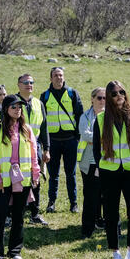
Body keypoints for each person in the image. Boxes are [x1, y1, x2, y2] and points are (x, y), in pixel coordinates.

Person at [93, 81, 130, 259]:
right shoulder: (100, 119)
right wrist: (103, 168)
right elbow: (95, 150)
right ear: (108, 96)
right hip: (110, 172)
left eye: (122, 92)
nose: (119, 96)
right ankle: (115, 252)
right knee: (111, 214)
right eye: (115, 93)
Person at [0, 95, 41, 259]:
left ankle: (15, 250)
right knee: (0, 216)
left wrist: (35, 174)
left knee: (19, 216)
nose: (18, 110)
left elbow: (33, 155)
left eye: (19, 107)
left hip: (23, 180)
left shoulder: (27, 129)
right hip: (4, 180)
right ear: (6, 109)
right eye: (14, 107)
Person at [41, 66, 83, 213]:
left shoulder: (72, 93)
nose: (59, 78)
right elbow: (43, 120)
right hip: (53, 141)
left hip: (70, 140)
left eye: (61, 75)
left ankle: (74, 203)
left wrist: (77, 137)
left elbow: (79, 115)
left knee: (71, 174)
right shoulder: (45, 96)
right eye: (56, 75)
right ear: (51, 78)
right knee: (53, 175)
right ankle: (51, 203)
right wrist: (44, 142)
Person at [18, 73, 50, 225]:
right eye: (25, 82)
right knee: (17, 179)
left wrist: (47, 149)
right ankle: (15, 213)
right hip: (17, 146)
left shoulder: (38, 103)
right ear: (18, 85)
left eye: (31, 82)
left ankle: (35, 213)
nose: (28, 84)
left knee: (35, 179)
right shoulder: (13, 102)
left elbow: (44, 128)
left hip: (35, 145)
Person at [77, 87, 105, 238]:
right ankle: (87, 229)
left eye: (105, 98)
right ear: (92, 99)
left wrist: (96, 139)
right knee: (90, 196)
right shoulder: (85, 116)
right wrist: (103, 138)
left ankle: (102, 222)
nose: (102, 101)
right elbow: (85, 134)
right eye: (99, 97)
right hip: (89, 163)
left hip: (107, 162)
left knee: (106, 195)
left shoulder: (111, 116)